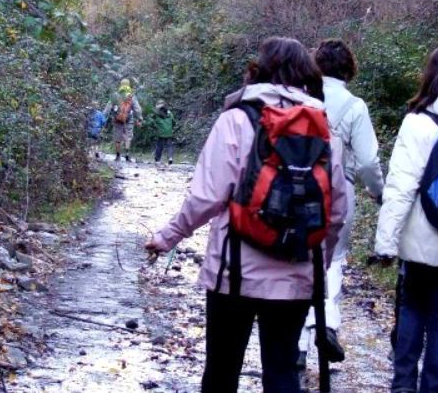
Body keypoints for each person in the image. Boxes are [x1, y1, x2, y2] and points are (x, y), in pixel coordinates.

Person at [145, 37, 349, 393]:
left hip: (233, 272)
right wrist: (317, 262)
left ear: (260, 68)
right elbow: (336, 211)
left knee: (222, 371)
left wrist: (167, 237)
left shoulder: (237, 119)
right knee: (283, 372)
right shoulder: (322, 128)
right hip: (295, 275)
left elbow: (207, 197)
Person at [374, 42, 438, 393]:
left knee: (412, 310)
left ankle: (403, 386)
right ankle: (436, 389)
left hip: (420, 238)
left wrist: (385, 244)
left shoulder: (418, 120)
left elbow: (401, 186)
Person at [297, 39, 385, 368]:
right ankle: (327, 323)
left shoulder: (301, 98)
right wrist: (378, 193)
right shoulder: (354, 105)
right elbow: (367, 161)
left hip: (298, 189)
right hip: (339, 191)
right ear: (349, 68)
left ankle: (299, 343)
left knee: (300, 261)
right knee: (333, 260)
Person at [103, 79, 142, 162]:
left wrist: (103, 117)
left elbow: (108, 108)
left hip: (117, 120)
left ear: (120, 85)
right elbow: (137, 109)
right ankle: (127, 154)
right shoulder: (132, 96)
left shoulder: (116, 95)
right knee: (128, 136)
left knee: (118, 138)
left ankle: (118, 156)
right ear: (129, 85)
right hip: (129, 119)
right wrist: (139, 118)